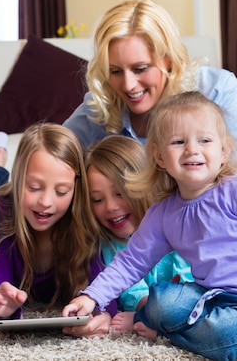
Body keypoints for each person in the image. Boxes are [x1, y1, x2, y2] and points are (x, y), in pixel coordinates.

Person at [63, 91, 237, 361]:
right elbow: (131, 261)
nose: (192, 149)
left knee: (228, 336)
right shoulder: (164, 213)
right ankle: (185, 332)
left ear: (224, 150)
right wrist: (91, 297)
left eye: (204, 140)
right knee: (162, 301)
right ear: (158, 156)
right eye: (179, 142)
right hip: (206, 298)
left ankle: (171, 335)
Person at [63, 0, 237, 178]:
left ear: (168, 60)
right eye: (115, 71)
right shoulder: (101, 105)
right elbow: (53, 158)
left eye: (140, 69)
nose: (129, 85)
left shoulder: (217, 89)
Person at [0, 122, 117, 337]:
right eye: (34, 187)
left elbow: (105, 288)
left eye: (61, 191)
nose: (45, 202)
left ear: (75, 190)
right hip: (2, 193)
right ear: (19, 179)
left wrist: (104, 315)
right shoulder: (0, 211)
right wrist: (2, 305)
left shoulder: (84, 220)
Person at [78, 134, 193, 336]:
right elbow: (130, 290)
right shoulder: (110, 244)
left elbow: (193, 273)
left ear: (143, 185)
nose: (111, 207)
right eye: (97, 199)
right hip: (158, 304)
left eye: (120, 193)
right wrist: (150, 307)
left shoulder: (174, 222)